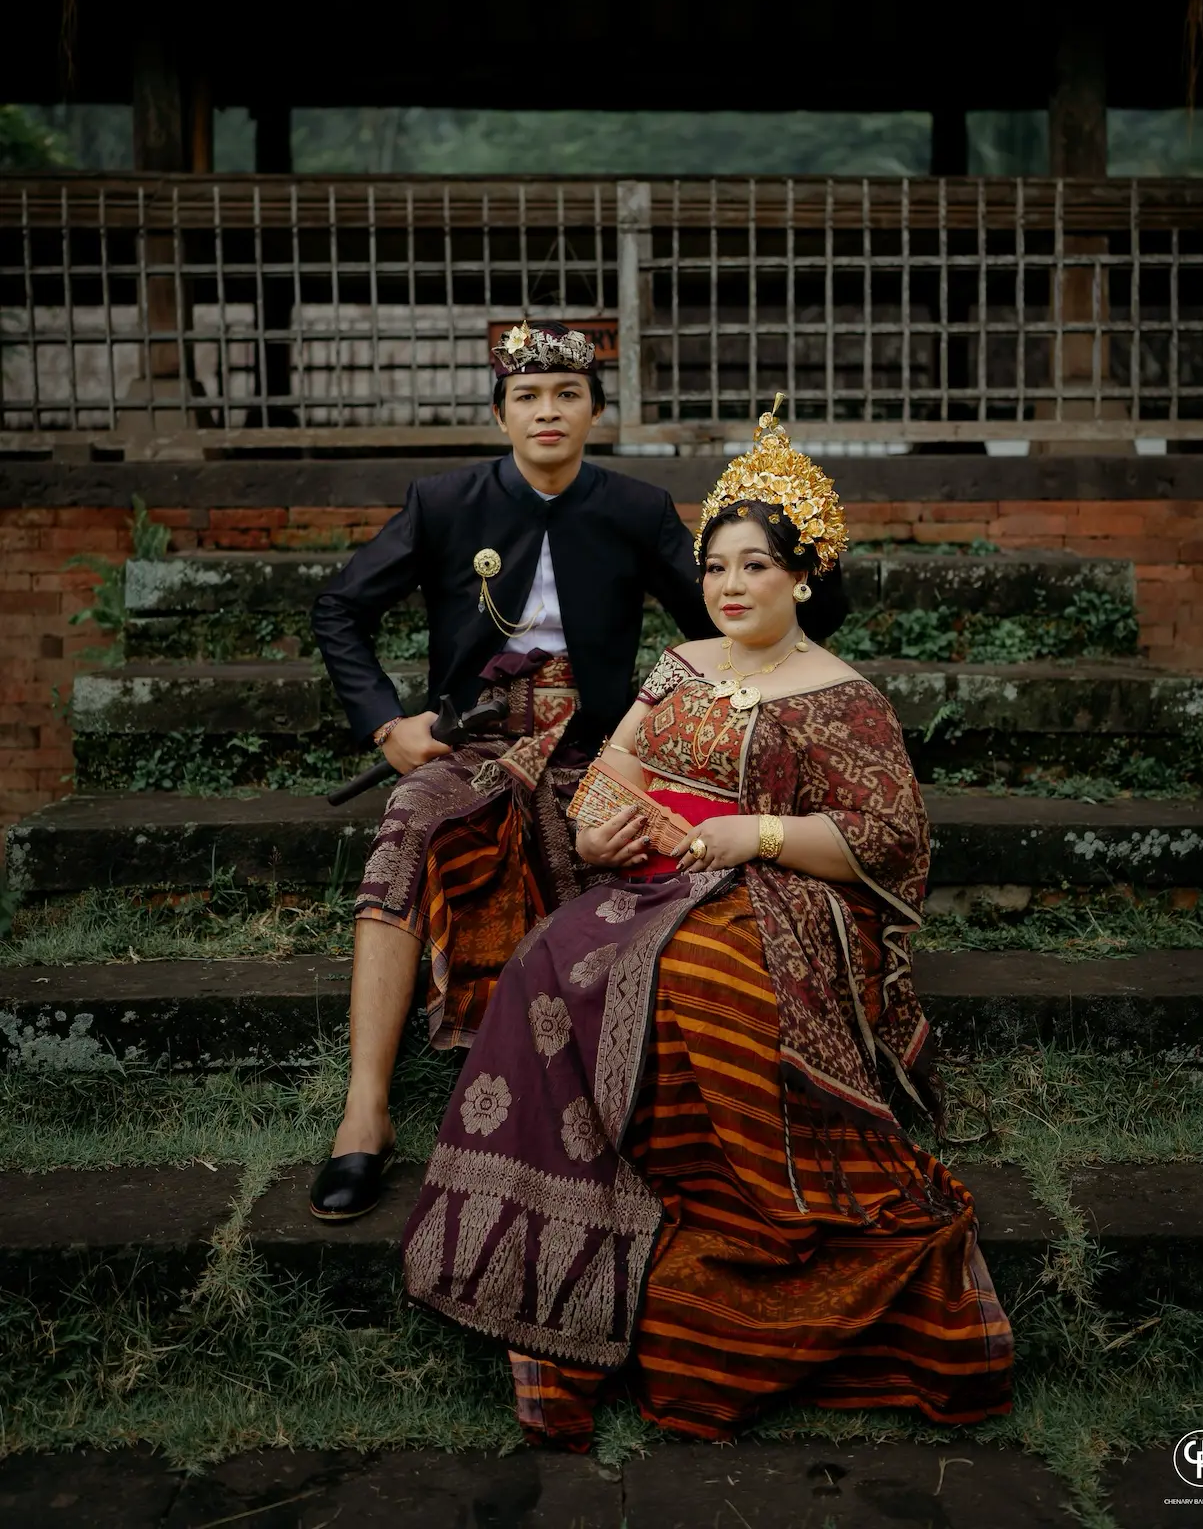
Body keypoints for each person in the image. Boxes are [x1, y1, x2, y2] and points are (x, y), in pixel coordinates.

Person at [400, 404, 1013, 1442]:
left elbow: (888, 837)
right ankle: (548, 1269)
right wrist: (595, 830)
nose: (729, 585)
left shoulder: (842, 696)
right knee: (548, 960)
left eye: (754, 566)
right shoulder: (680, 665)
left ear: (802, 577)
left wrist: (754, 834)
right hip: (649, 883)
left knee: (697, 980)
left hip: (785, 899)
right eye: (716, 566)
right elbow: (612, 776)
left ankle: (727, 1211)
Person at [307, 320, 709, 1221]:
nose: (547, 411)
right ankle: (364, 1113)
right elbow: (340, 608)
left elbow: (716, 621)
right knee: (410, 819)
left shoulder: (637, 508)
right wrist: (387, 726)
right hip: (476, 740)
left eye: (568, 395)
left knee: (626, 858)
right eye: (527, 397)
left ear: (595, 413)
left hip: (605, 745)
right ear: (501, 416)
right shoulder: (445, 502)